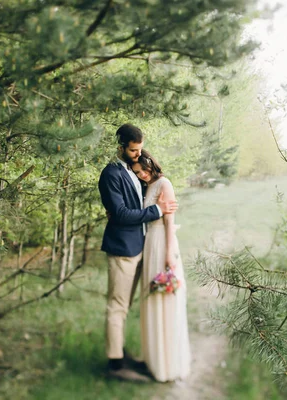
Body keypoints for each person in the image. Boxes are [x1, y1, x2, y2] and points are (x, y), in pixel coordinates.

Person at [98, 124, 178, 382]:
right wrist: (157, 211)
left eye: (140, 149)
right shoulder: (110, 174)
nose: (138, 154)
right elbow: (120, 214)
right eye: (133, 150)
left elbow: (140, 199)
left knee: (127, 305)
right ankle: (115, 364)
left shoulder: (133, 171)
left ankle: (120, 354)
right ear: (120, 147)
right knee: (117, 306)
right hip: (122, 249)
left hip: (140, 246)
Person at [132, 150, 191, 382]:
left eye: (145, 170)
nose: (143, 175)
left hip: (162, 244)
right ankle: (153, 359)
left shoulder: (164, 184)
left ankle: (167, 363)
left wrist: (169, 253)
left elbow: (169, 222)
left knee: (164, 299)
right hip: (150, 244)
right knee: (151, 300)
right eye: (138, 173)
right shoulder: (147, 186)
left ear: (152, 165)